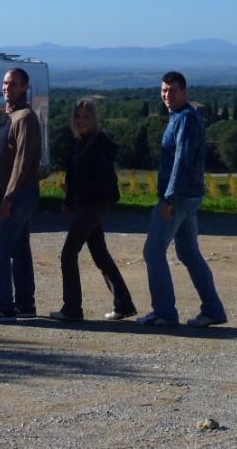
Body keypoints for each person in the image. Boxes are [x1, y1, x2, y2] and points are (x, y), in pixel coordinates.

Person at [139, 71, 227, 327]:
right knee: (189, 253)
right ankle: (213, 310)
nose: (167, 95)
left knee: (153, 252)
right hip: (188, 197)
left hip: (177, 199)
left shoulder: (185, 119)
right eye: (164, 90)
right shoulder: (180, 117)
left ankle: (165, 313)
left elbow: (182, 161)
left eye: (172, 90)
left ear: (184, 92)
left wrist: (168, 199)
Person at [48, 98, 136, 322]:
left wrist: (77, 193)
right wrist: (69, 198)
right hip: (87, 204)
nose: (81, 121)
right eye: (77, 117)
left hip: (94, 204)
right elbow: (74, 177)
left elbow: (101, 180)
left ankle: (72, 309)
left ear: (94, 119)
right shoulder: (80, 142)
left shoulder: (99, 144)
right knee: (100, 254)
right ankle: (124, 304)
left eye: (86, 117)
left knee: (69, 254)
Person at [0, 68, 42, 321]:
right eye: (5, 83)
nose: (7, 88)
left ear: (25, 87)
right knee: (19, 249)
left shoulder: (24, 117)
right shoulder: (16, 116)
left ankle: (4, 305)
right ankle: (26, 305)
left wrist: (9, 196)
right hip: (23, 192)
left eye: (13, 84)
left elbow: (23, 162)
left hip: (20, 193)